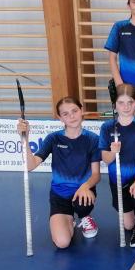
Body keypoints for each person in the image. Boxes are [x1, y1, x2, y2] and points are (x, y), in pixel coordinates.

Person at [16, 97, 100, 249]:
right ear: (60, 118)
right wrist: (24, 138)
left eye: (74, 111)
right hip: (59, 196)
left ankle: (84, 216)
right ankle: (68, 220)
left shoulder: (92, 139)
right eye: (65, 114)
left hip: (82, 193)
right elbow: (30, 165)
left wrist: (85, 186)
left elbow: (96, 175)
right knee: (62, 243)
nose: (71, 116)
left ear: (81, 111)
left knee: (81, 204)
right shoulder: (53, 138)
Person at [99, 84, 135, 248]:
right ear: (115, 104)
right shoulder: (107, 127)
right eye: (121, 103)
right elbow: (106, 159)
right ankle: (134, 221)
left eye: (130, 102)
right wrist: (112, 151)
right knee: (128, 225)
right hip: (117, 180)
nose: (126, 107)